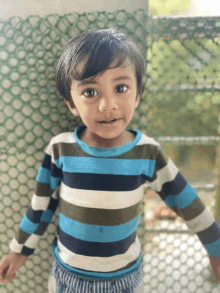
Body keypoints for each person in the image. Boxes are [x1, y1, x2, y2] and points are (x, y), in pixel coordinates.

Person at [0, 27, 220, 293]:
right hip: (67, 278)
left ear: (137, 94)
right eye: (90, 92)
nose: (107, 105)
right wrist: (18, 251)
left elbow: (186, 201)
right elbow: (41, 207)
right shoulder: (60, 149)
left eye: (121, 88)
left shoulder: (147, 153)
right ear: (71, 102)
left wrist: (215, 248)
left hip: (124, 281)